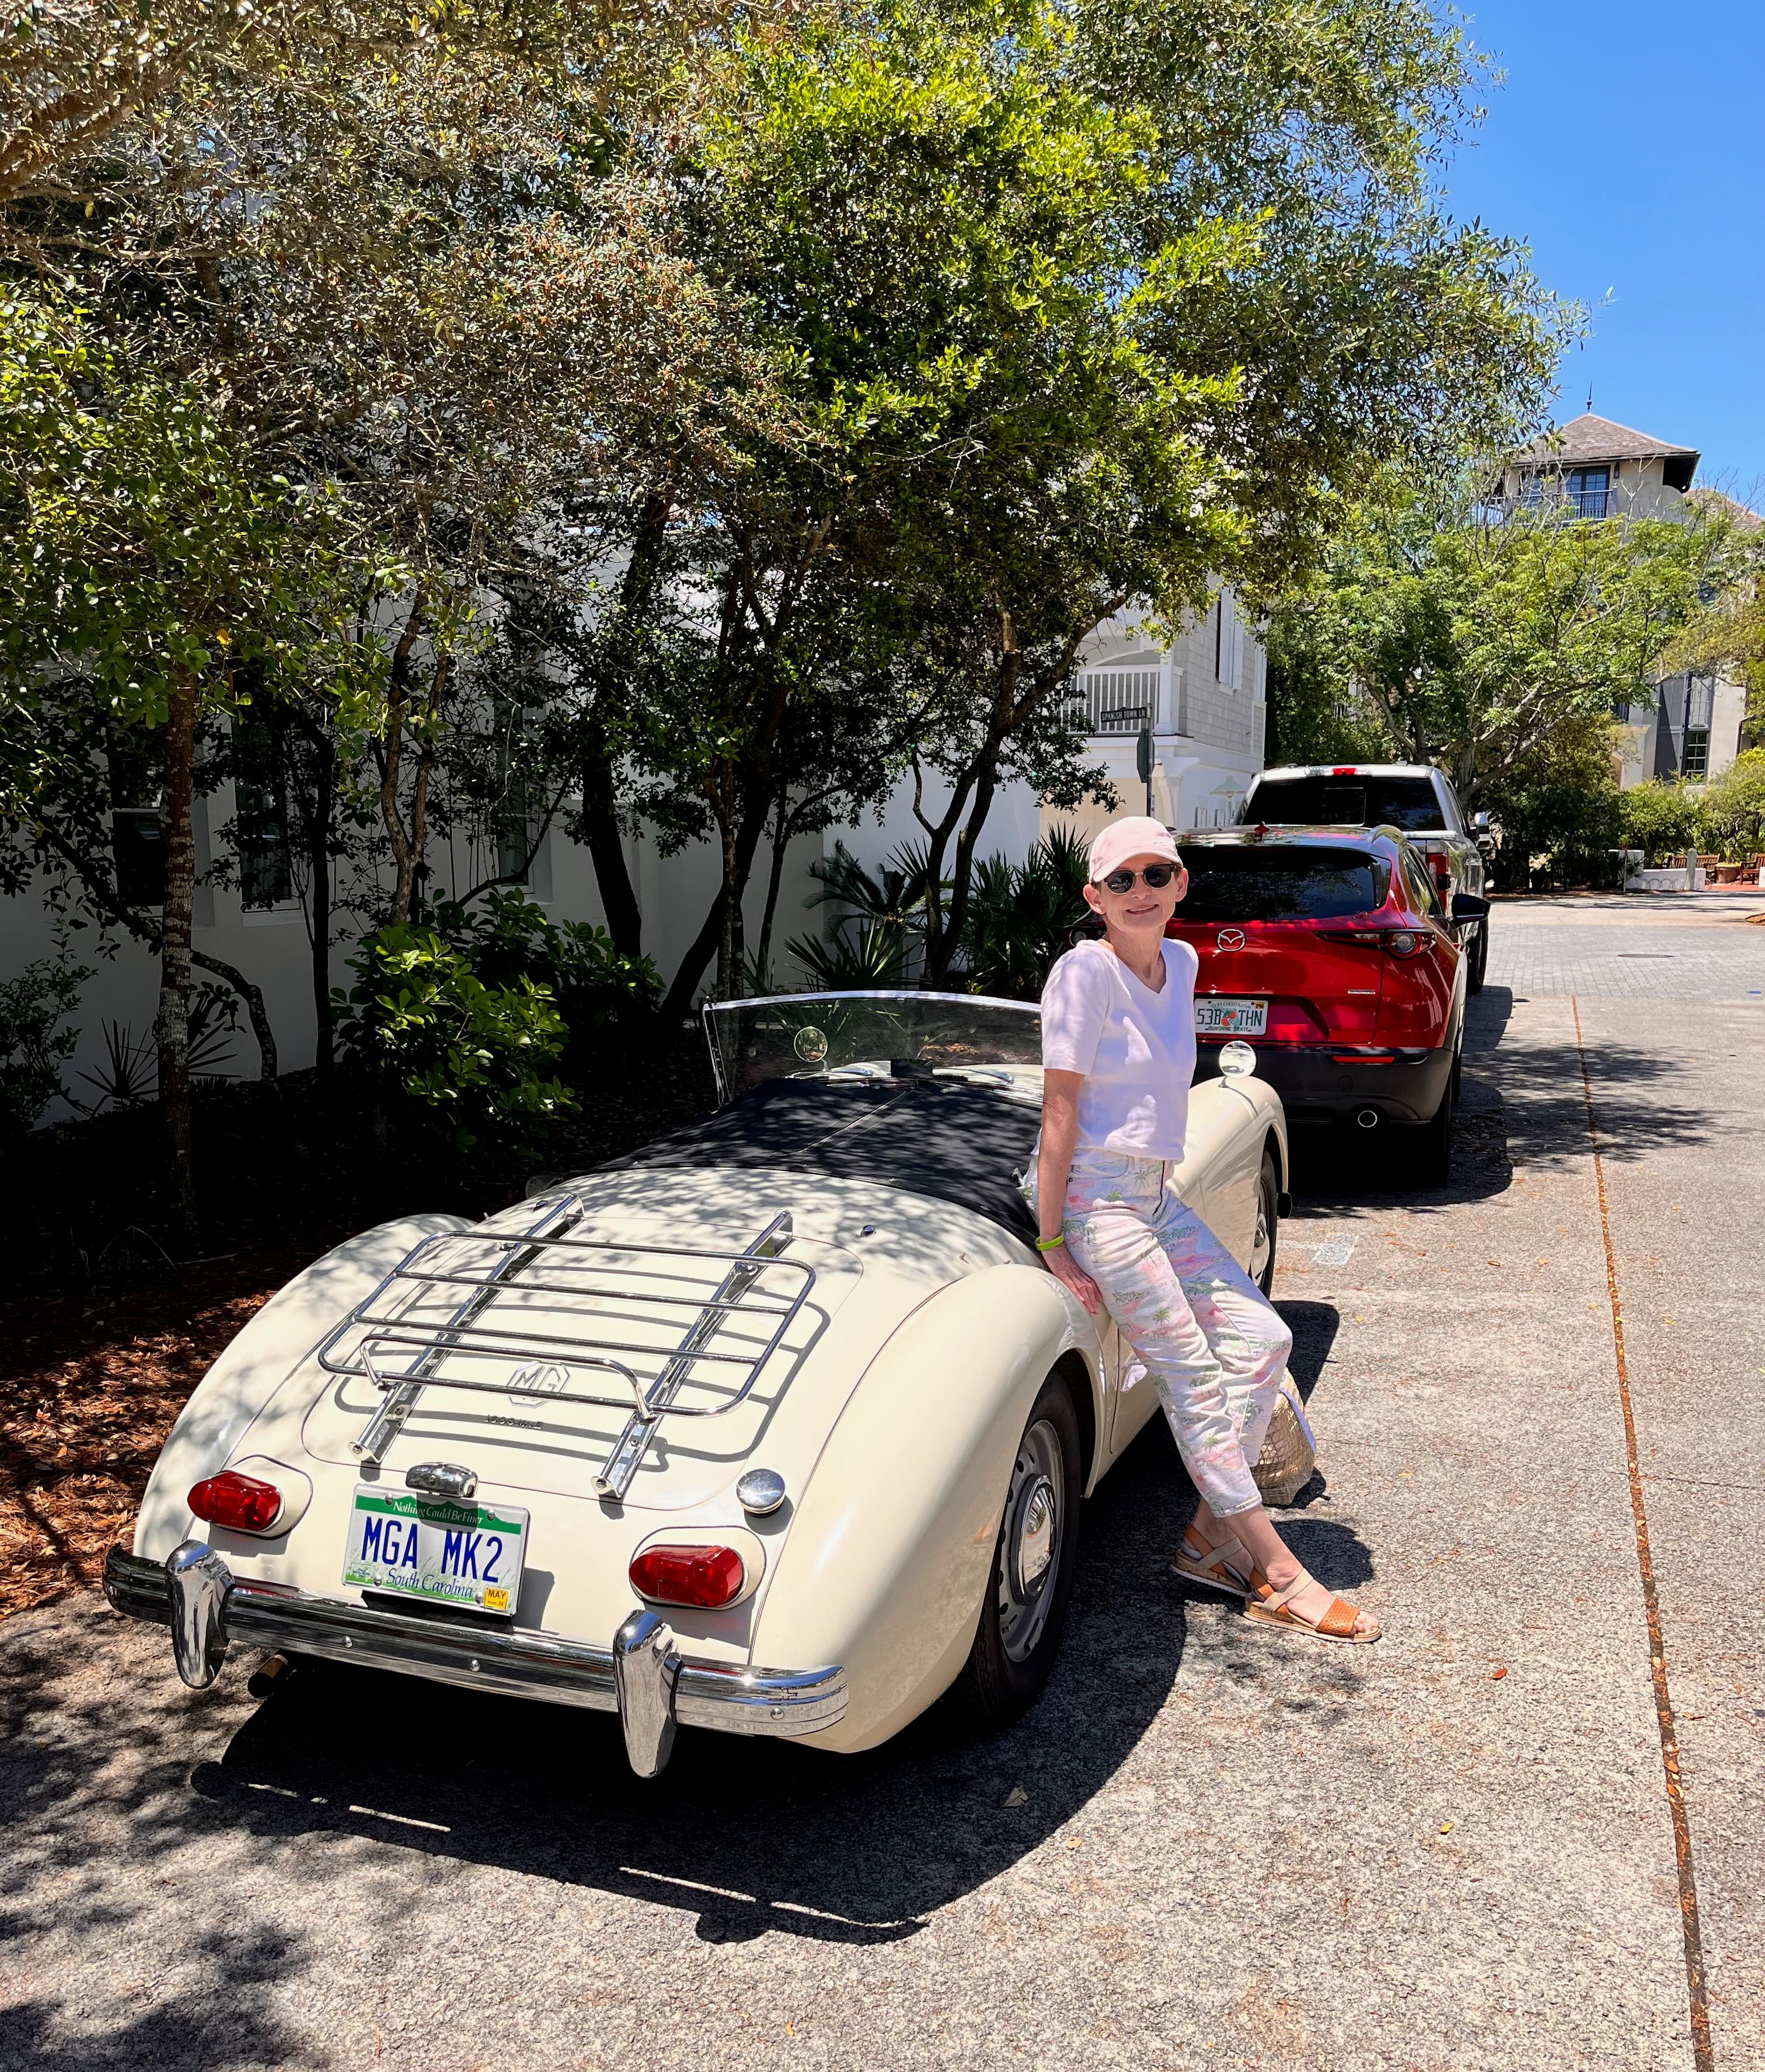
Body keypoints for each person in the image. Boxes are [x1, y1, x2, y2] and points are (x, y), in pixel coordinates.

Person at [1027, 816, 1379, 1644]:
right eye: (1121, 880)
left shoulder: (1181, 963)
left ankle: (1210, 1537)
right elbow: (1059, 1111)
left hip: (1155, 1196)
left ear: (1181, 883)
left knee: (1263, 1337)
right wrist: (1053, 1242)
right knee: (1189, 1370)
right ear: (1095, 897)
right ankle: (1276, 1568)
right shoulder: (1084, 973)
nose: (1140, 892)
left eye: (1157, 874)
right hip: (1097, 1202)